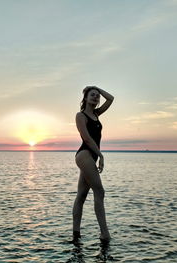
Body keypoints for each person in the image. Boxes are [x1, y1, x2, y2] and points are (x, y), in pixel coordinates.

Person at [73, 86, 114, 243]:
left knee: (81, 196)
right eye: (92, 95)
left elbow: (111, 98)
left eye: (97, 96)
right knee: (100, 191)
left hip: (92, 157)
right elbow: (87, 139)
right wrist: (100, 155)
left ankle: (76, 234)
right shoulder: (81, 116)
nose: (96, 97)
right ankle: (104, 234)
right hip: (84, 155)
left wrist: (96, 87)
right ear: (85, 98)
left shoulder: (97, 114)